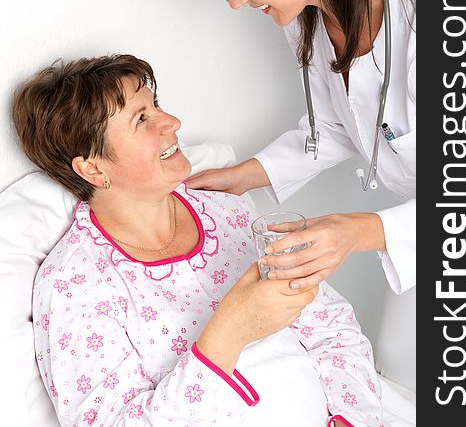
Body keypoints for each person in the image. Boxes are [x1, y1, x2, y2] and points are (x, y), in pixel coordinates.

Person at [12, 54, 384, 427]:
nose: (173, 122)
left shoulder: (227, 214)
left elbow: (333, 330)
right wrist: (228, 333)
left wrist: (350, 419)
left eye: (155, 104)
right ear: (93, 168)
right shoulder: (74, 285)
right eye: (142, 119)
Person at [182, 0, 416, 295]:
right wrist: (243, 175)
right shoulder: (307, 15)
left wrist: (355, 231)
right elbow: (338, 125)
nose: (235, 2)